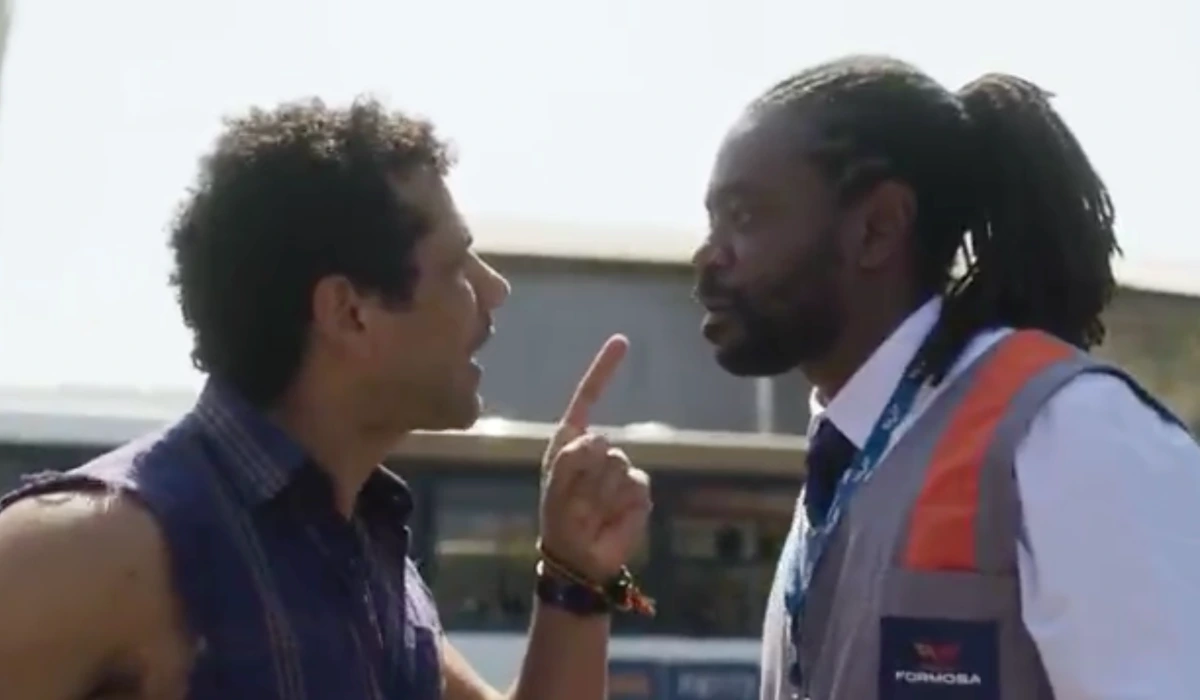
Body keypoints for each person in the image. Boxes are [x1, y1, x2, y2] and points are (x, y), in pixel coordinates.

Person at [0, 98, 652, 700]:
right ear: (349, 312)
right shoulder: (103, 545)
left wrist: (575, 573)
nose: (495, 290)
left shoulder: (366, 552)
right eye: (457, 267)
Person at [693, 55, 1200, 700]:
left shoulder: (1070, 431)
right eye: (713, 222)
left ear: (877, 228)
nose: (709, 260)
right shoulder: (846, 466)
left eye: (744, 218)